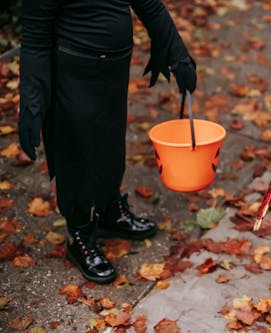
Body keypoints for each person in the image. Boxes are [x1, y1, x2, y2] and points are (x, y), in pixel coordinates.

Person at [18, 0, 197, 284]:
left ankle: (108, 211)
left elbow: (149, 4)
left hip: (114, 68)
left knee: (111, 144)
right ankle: (79, 233)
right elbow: (35, 41)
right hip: (73, 72)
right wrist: (31, 103)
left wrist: (178, 53)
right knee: (75, 151)